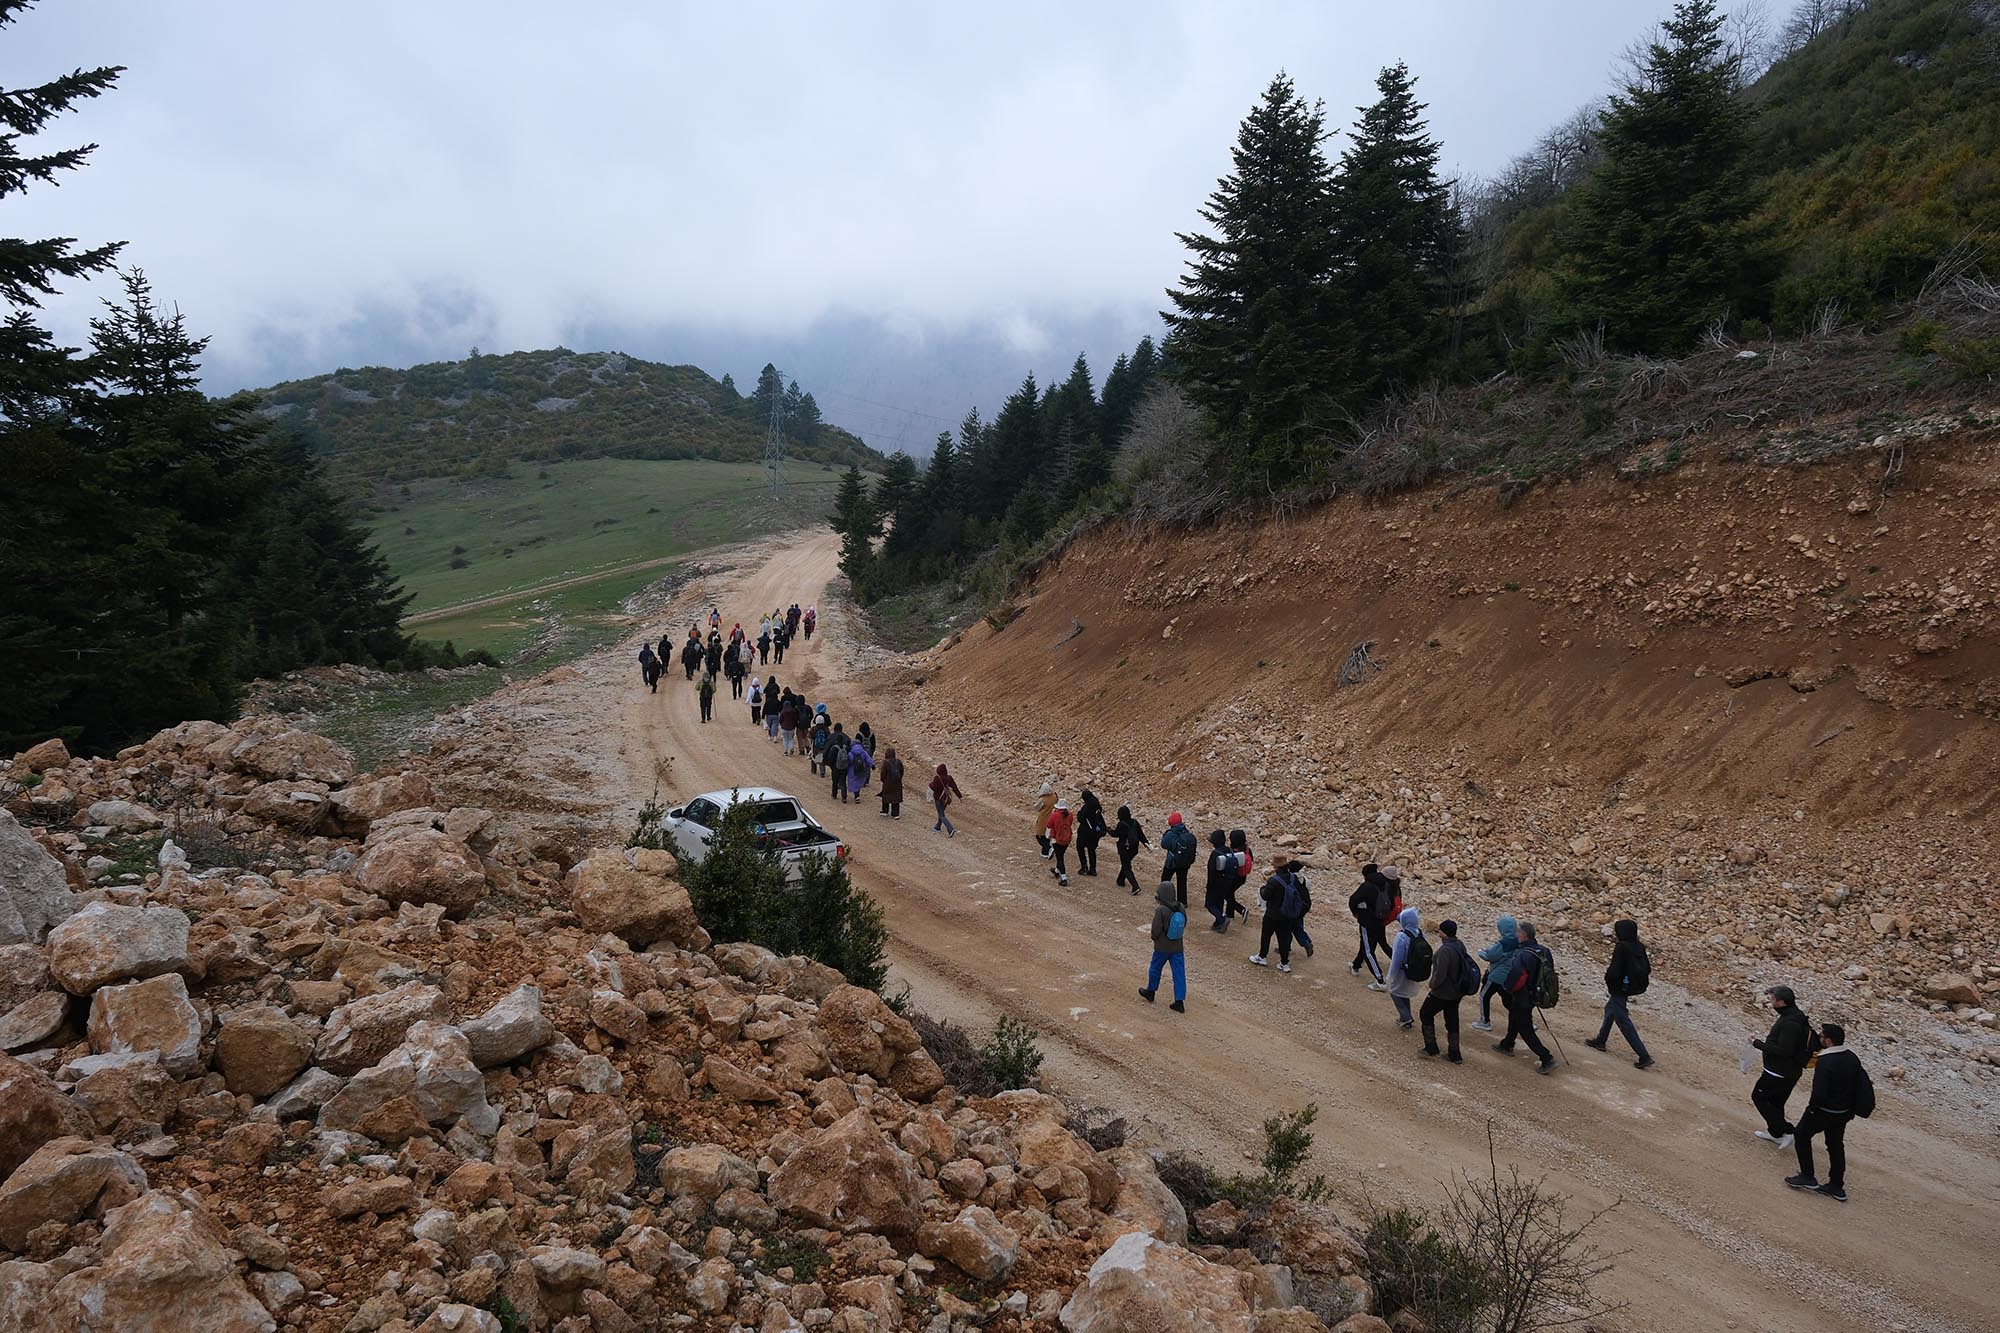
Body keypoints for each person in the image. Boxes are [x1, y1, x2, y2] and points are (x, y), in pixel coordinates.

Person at [1785, 1022, 1872, 1202]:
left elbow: (1819, 1093)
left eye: (1822, 1036)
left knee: (1801, 1135)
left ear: (1829, 1041)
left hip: (1824, 1111)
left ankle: (1807, 1176)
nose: (1819, 1038)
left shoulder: (1825, 1061)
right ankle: (1836, 1185)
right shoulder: (1851, 1057)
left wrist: (1810, 1110)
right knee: (1835, 1145)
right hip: (1843, 1112)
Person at [1586, 919, 1655, 1069]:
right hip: (1632, 986)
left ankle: (1644, 1055)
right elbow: (1648, 969)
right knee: (1610, 1009)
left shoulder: (1621, 947)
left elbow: (1614, 970)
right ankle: (1601, 1040)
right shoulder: (1639, 946)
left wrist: (1609, 980)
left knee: (1622, 1019)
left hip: (1619, 988)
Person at [1751, 985, 1813, 1149]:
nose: (1770, 1002)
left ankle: (1787, 1130)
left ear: (1782, 1002)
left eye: (1773, 999)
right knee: (1776, 1103)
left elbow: (1784, 1051)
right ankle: (1775, 1133)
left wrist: (1757, 1044)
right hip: (1788, 1072)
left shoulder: (1790, 1023)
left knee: (1759, 1097)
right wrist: (1772, 990)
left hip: (1779, 1072)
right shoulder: (1795, 1014)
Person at [1490, 921, 1556, 1073]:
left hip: (1523, 996)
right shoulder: (1544, 950)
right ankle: (1507, 1044)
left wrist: (1508, 987)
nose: (1516, 934)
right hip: (1536, 994)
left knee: (1525, 1028)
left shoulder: (1523, 954)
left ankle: (1546, 1058)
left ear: (1524, 935)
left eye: (1518, 932)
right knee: (1514, 1015)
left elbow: (1517, 977)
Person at [1420, 920, 1474, 1062]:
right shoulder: (1459, 944)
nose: (1439, 932)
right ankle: (1454, 1053)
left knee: (1425, 1013)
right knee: (1452, 1019)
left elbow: (1440, 975)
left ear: (1445, 933)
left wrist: (1432, 985)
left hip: (1443, 992)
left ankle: (1431, 1047)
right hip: (1457, 991)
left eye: (1440, 930)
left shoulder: (1445, 951)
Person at [1249, 854, 1308, 972]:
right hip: (1287, 915)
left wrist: (1262, 888)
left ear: (1276, 867)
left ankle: (1262, 957)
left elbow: (1265, 896)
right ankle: (1284, 963)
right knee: (1284, 939)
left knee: (1266, 935)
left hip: (1272, 914)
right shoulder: (1293, 878)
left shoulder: (1273, 881)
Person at [1138, 879, 1188, 1013]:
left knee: (1155, 968)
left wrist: (1155, 938)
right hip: (1178, 947)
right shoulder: (1180, 906)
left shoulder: (1161, 909)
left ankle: (1151, 991)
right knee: (1179, 973)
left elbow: (1156, 929)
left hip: (1162, 947)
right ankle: (1179, 1001)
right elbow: (1185, 923)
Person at [1471, 914, 1520, 1032]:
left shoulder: (1503, 943)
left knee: (1484, 996)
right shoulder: (1518, 941)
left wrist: (1480, 952)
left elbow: (1490, 956)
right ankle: (1525, 1021)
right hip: (1509, 975)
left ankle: (1484, 1021)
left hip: (1497, 975)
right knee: (1508, 999)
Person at [1385, 907, 1429, 1029]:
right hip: (1416, 970)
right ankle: (1406, 1017)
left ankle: (1406, 1017)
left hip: (1403, 971)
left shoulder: (1402, 936)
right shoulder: (1420, 933)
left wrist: (1391, 975)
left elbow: (1396, 958)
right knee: (1404, 994)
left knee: (1394, 991)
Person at [1348, 864, 1391, 984]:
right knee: (1369, 945)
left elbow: (1353, 900)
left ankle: (1380, 980)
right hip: (1381, 920)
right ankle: (1355, 966)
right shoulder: (1386, 884)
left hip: (1367, 922)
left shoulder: (1367, 886)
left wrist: (1356, 913)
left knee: (1368, 951)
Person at [1201, 830, 1236, 932]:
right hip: (1227, 882)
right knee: (1219, 902)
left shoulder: (1215, 854)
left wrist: (1209, 885)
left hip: (1216, 883)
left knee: (1209, 904)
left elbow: (1211, 872)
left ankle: (1221, 920)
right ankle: (1217, 924)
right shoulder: (1230, 850)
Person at [1159, 813, 1197, 906]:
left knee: (1165, 879)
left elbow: (1164, 845)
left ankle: (1164, 898)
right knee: (1182, 881)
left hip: (1172, 862)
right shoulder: (1186, 831)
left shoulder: (1171, 833)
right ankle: (1183, 902)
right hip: (1185, 862)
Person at [1113, 806, 1150, 893]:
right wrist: (1146, 843)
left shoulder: (1121, 824)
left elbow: (1115, 834)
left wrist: (1108, 829)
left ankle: (1135, 886)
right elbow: (1141, 835)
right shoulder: (1134, 822)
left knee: (1126, 867)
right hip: (1134, 849)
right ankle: (1120, 880)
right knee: (1126, 863)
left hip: (1125, 849)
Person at [1224, 830, 1254, 927]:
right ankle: (1229, 914)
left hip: (1234, 877)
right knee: (1230, 893)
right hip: (1242, 877)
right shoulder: (1247, 849)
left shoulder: (1233, 851)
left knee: (1227, 894)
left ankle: (1241, 910)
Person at [1075, 790, 1107, 876]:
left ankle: (1084, 866)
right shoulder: (1096, 804)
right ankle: (1093, 869)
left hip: (1085, 831)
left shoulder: (1087, 807)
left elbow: (1080, 818)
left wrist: (1079, 813)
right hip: (1094, 832)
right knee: (1091, 850)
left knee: (1080, 847)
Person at [1046, 800, 1075, 886]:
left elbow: (1048, 825)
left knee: (1060, 859)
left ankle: (1063, 878)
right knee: (1061, 855)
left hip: (1057, 839)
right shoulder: (1070, 815)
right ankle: (1056, 871)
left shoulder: (1055, 815)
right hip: (1067, 839)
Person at [930, 763, 962, 837]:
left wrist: (930, 784)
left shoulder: (937, 778)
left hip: (938, 799)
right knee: (941, 813)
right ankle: (937, 827)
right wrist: (959, 796)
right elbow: (954, 787)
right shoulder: (949, 778)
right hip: (945, 799)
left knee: (941, 815)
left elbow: (934, 787)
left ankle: (950, 829)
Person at [846, 734, 874, 804]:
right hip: (861, 768)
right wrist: (872, 765)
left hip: (852, 770)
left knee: (854, 782)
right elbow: (868, 759)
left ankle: (856, 795)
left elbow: (849, 760)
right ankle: (857, 795)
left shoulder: (851, 752)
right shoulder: (863, 751)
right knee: (859, 782)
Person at [878, 747, 905, 818]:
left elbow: (883, 773)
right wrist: (899, 779)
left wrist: (883, 780)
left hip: (888, 783)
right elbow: (902, 771)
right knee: (896, 798)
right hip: (897, 783)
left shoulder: (886, 762)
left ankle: (885, 811)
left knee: (886, 796)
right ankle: (895, 814)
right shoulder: (898, 761)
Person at [827, 725, 851, 802]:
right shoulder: (845, 748)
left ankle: (834, 794)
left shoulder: (834, 748)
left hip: (835, 767)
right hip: (844, 767)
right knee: (843, 781)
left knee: (835, 781)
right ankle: (844, 797)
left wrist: (831, 765)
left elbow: (831, 759)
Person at [1033, 782, 1058, 858]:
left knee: (1039, 836)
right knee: (1047, 836)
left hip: (1043, 819)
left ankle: (1049, 849)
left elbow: (1036, 808)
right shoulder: (1054, 796)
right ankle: (1045, 852)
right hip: (1052, 818)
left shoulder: (1043, 799)